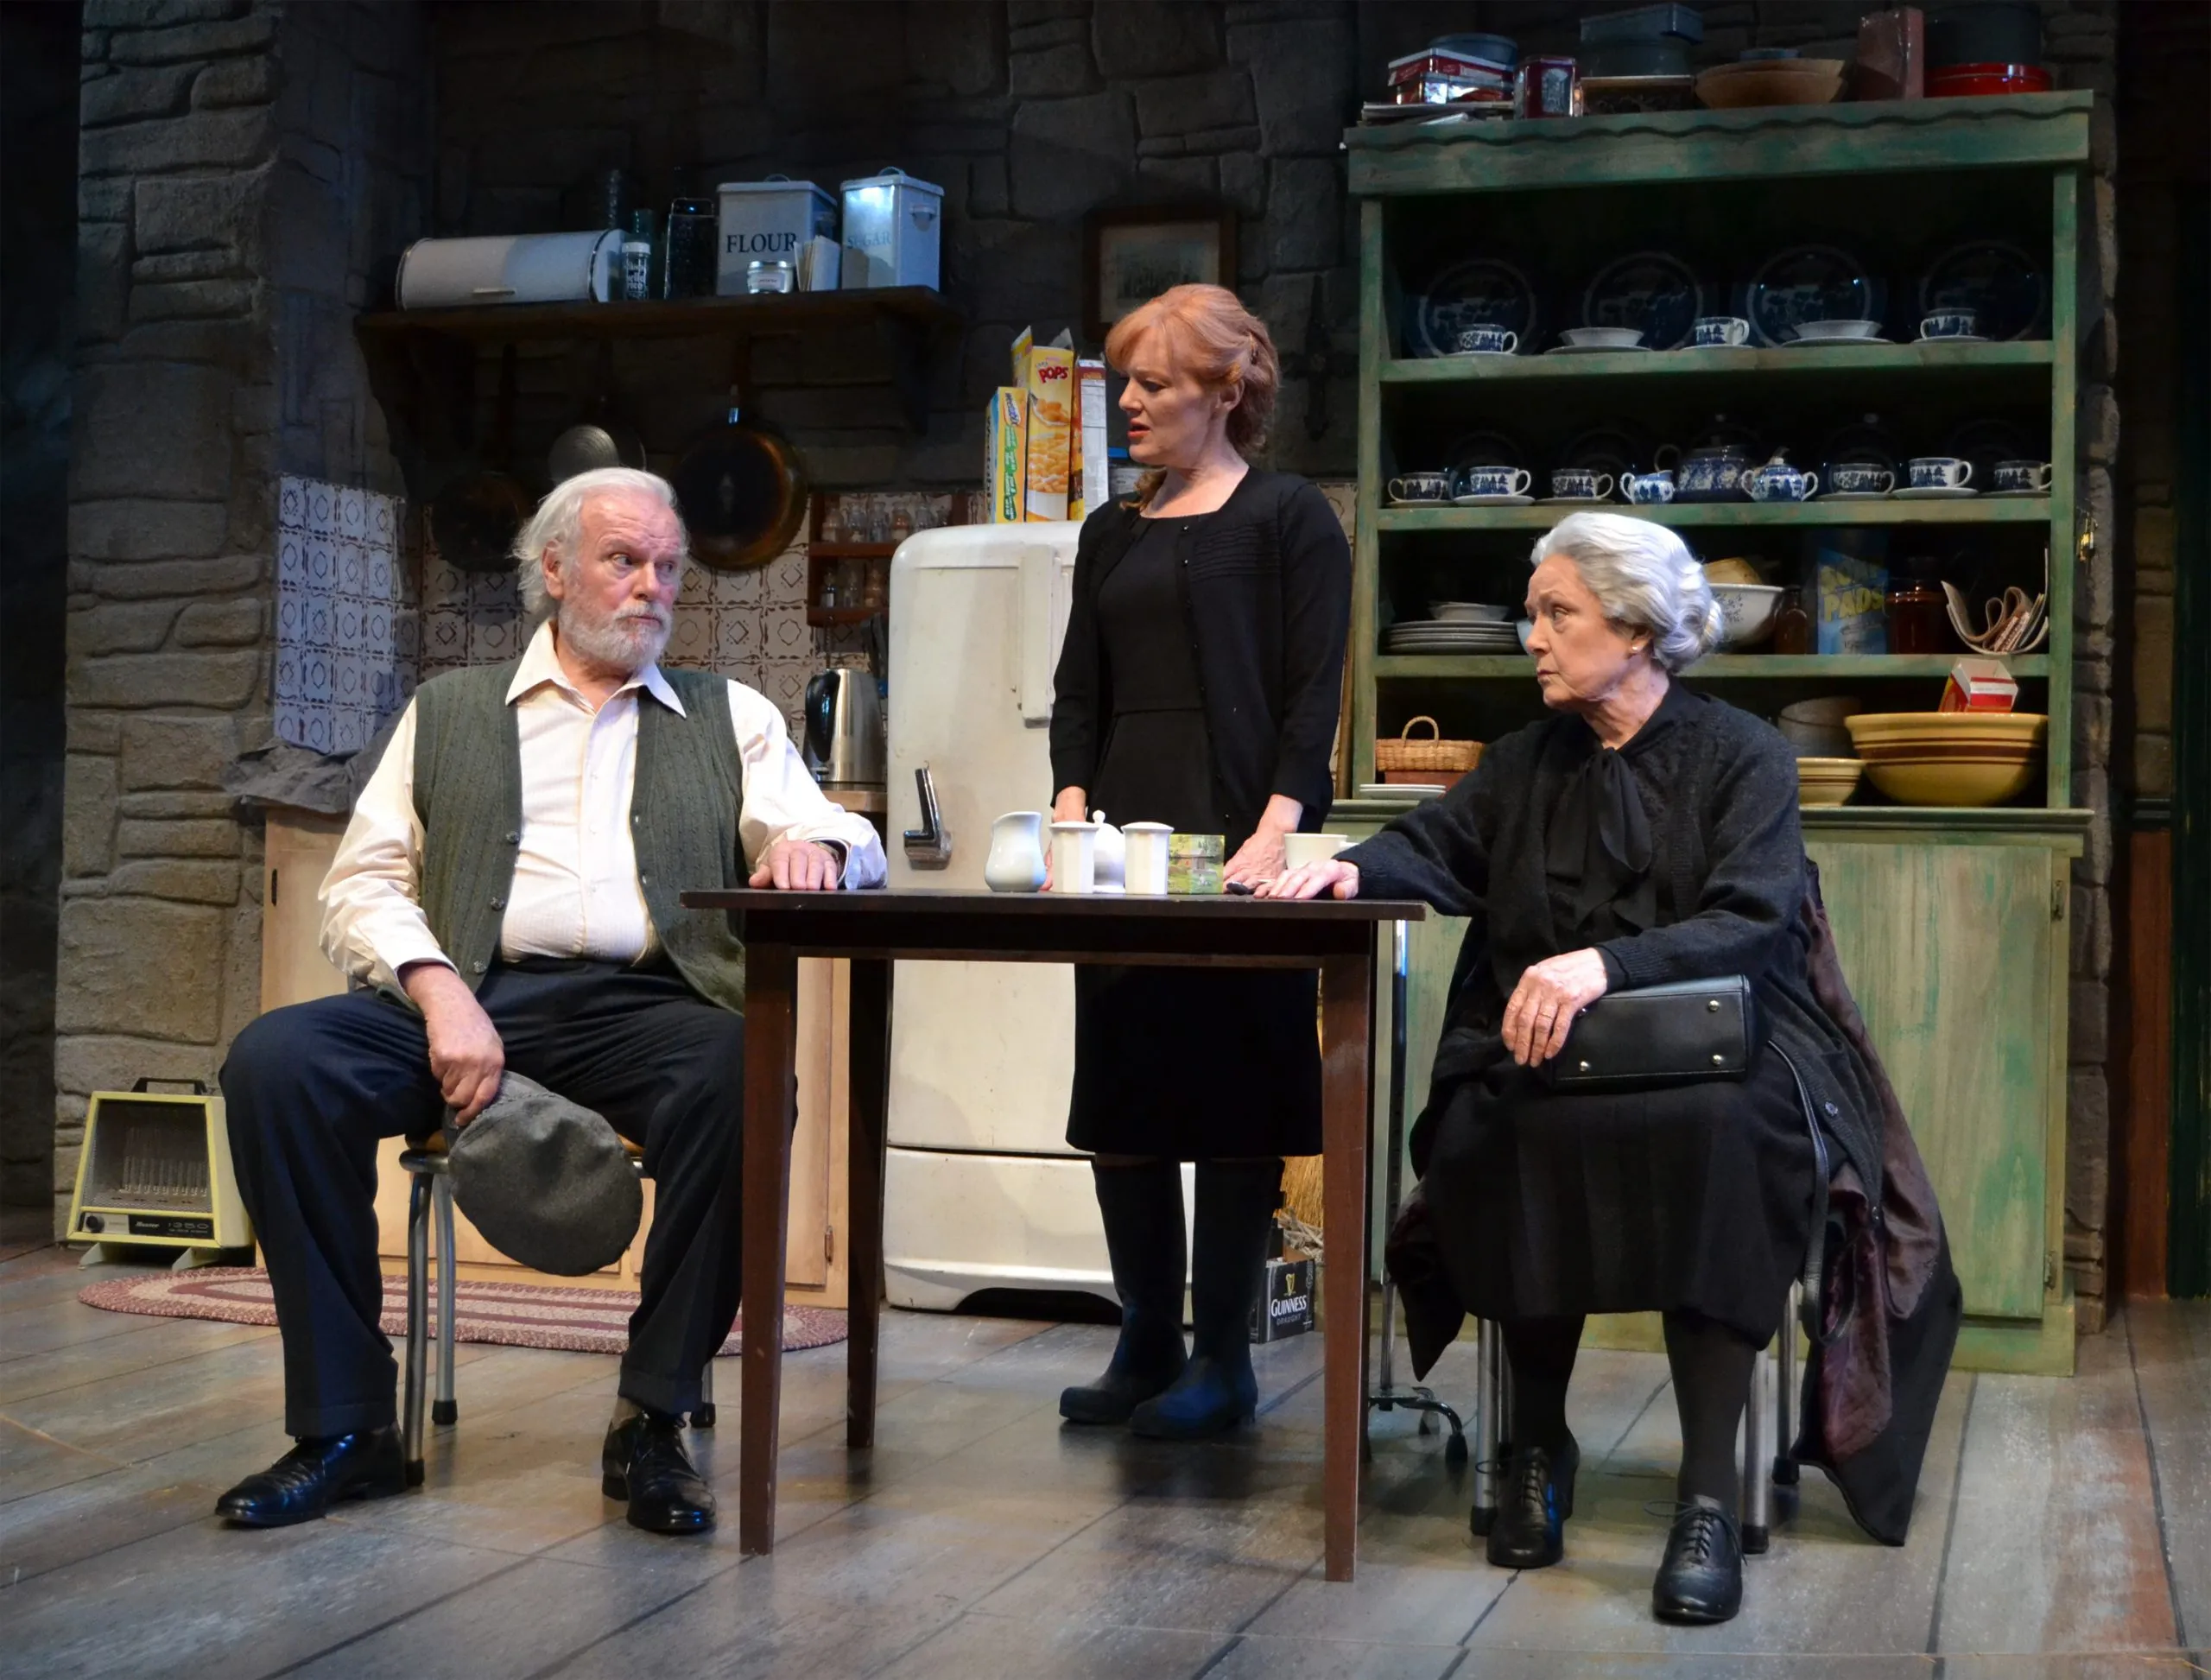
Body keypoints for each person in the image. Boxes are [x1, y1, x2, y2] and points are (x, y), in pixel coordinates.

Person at [215, 467, 885, 1536]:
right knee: (279, 1064)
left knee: (742, 1075)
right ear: (555, 569)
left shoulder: (731, 714)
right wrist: (439, 992)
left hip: (642, 1007)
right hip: (470, 988)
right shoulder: (449, 711)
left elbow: (853, 841)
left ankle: (653, 1414)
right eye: (626, 561)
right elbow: (364, 884)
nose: (652, 588)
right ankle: (346, 1426)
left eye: (668, 568)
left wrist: (817, 845)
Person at [1264, 511, 1873, 1624]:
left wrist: (1604, 962)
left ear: (1637, 629)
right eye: (1531, 612)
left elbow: (1754, 916)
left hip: (1720, 1058)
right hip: (1543, 1064)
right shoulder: (1521, 762)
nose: (1529, 636)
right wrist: (1348, 874)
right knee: (1489, 1127)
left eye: (1557, 613)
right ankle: (1536, 1446)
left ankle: (1702, 1496)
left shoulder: (1744, 756)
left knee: (1726, 1140)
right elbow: (1432, 843)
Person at [1048, 283, 1350, 1440]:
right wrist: (1072, 804)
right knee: (1123, 1097)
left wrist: (1272, 833)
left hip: (1237, 846)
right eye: (1127, 380)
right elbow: (1081, 690)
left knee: (1234, 1100)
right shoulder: (1110, 531)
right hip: (1122, 849)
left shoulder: (1289, 520)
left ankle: (1223, 1356)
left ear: (1227, 391)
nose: (1126, 402)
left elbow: (1310, 694)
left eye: (1153, 383)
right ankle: (1145, 1341)